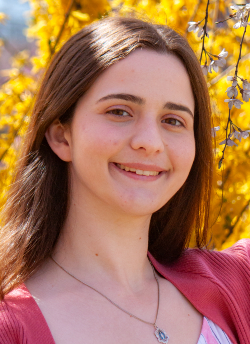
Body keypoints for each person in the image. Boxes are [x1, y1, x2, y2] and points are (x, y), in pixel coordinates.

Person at [0, 16, 249, 344]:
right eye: (119, 111)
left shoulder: (237, 284)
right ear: (62, 136)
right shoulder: (11, 326)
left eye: (173, 120)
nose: (150, 141)